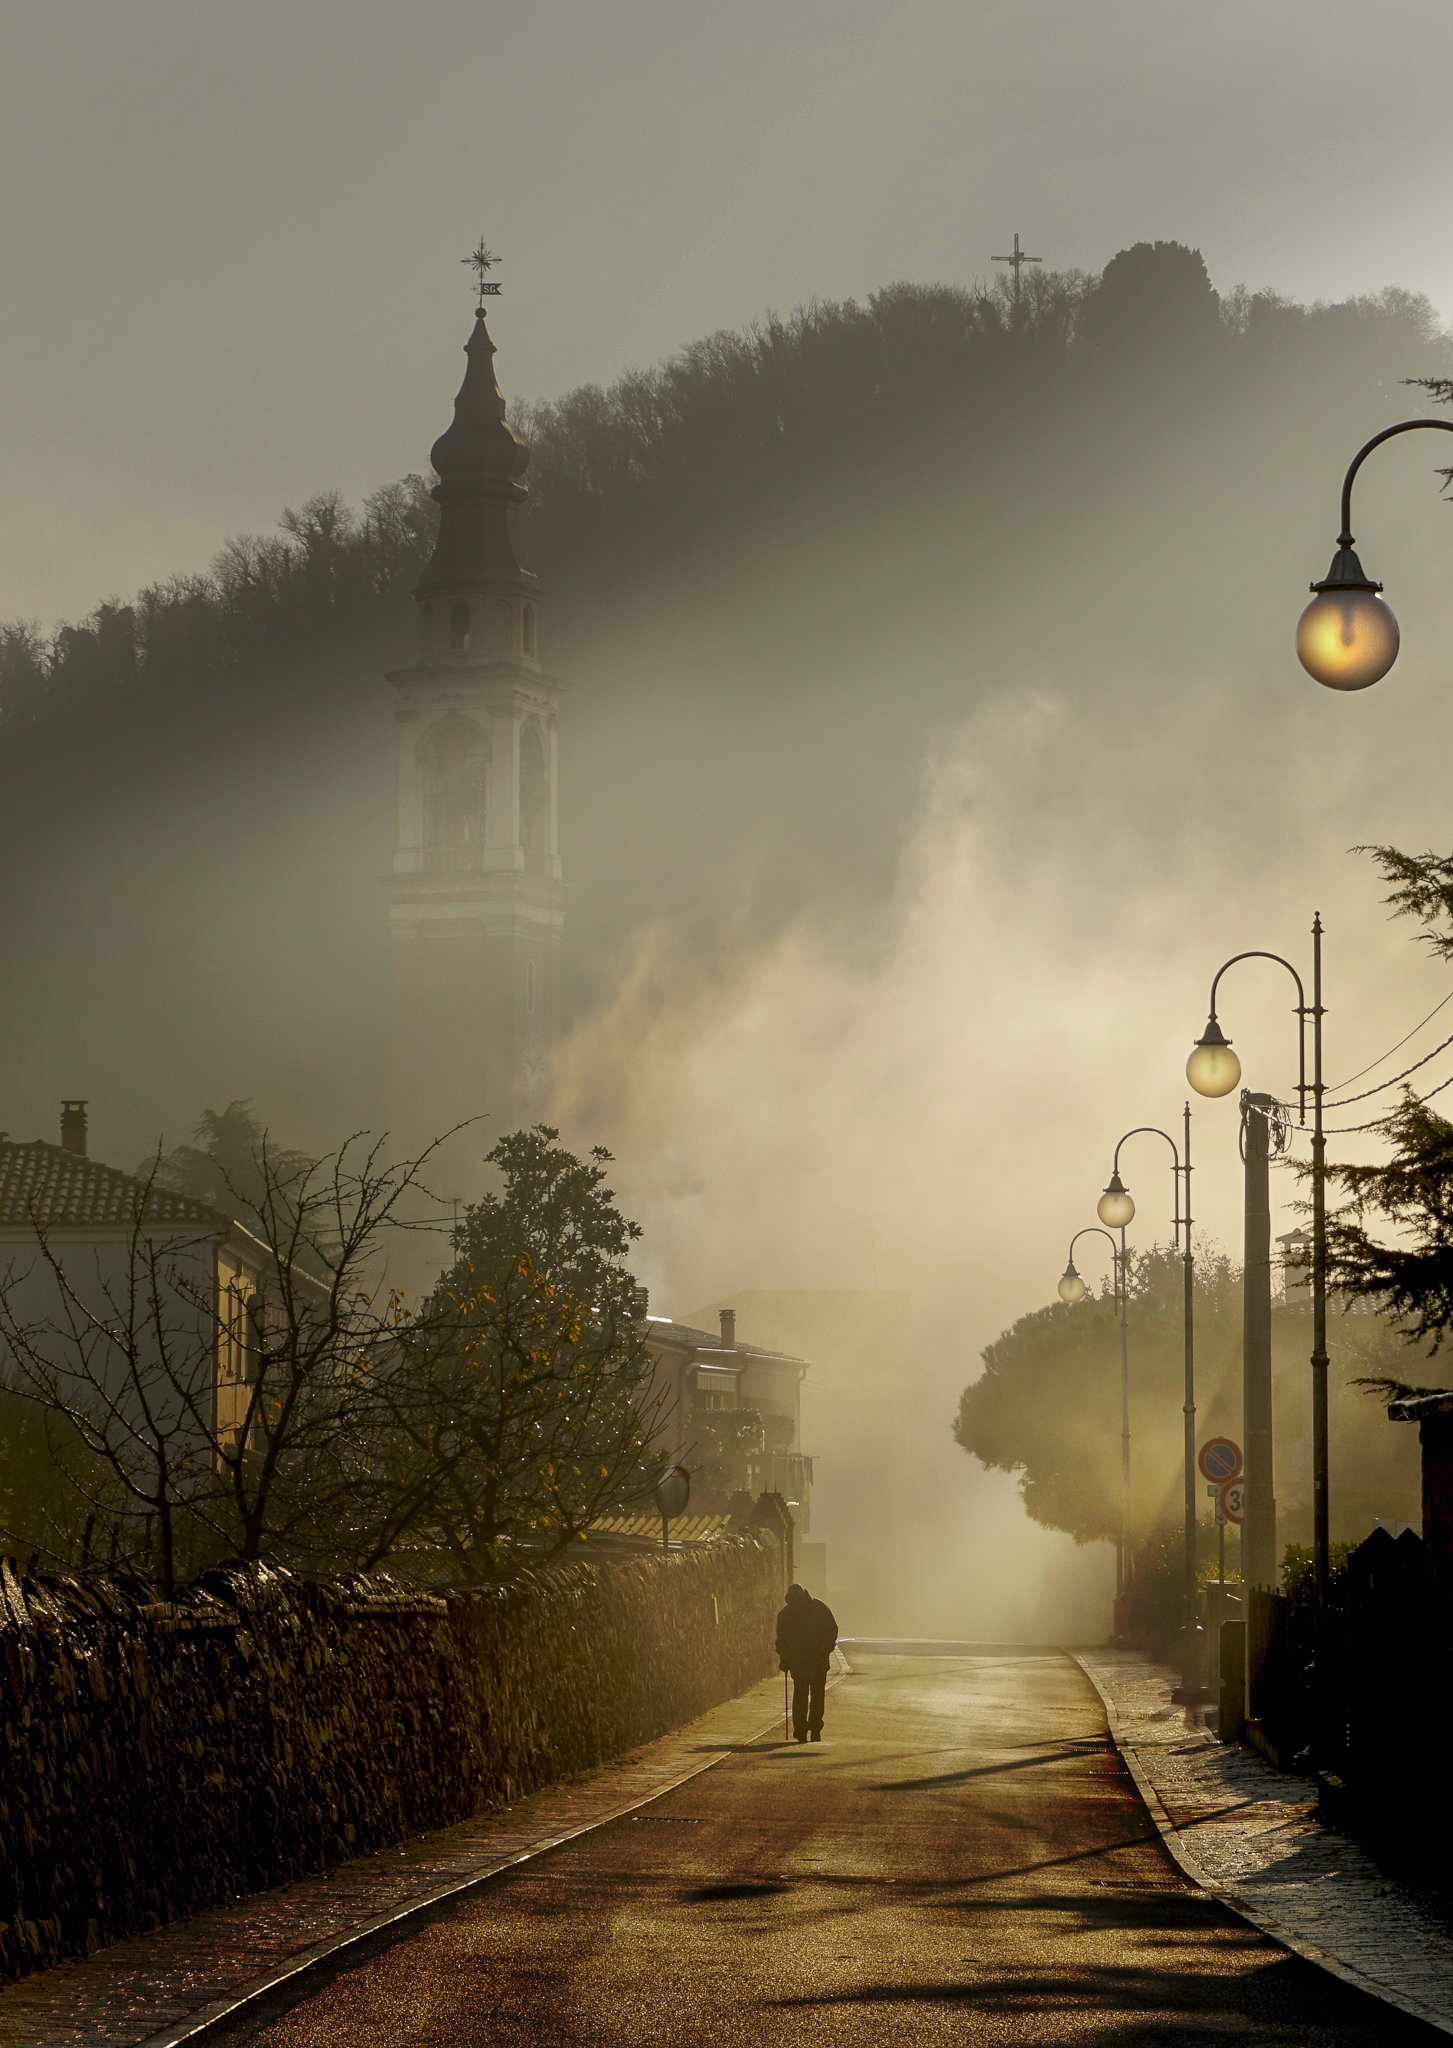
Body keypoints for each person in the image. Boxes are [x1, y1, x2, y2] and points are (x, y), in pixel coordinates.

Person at [775, 1581, 838, 1743]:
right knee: (803, 1696)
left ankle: (813, 1729)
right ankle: (802, 1730)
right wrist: (784, 1658)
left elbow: (831, 1631)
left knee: (813, 1697)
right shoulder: (786, 1614)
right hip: (801, 1663)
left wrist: (823, 1651)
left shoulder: (819, 1609)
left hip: (816, 1661)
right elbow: (782, 1640)